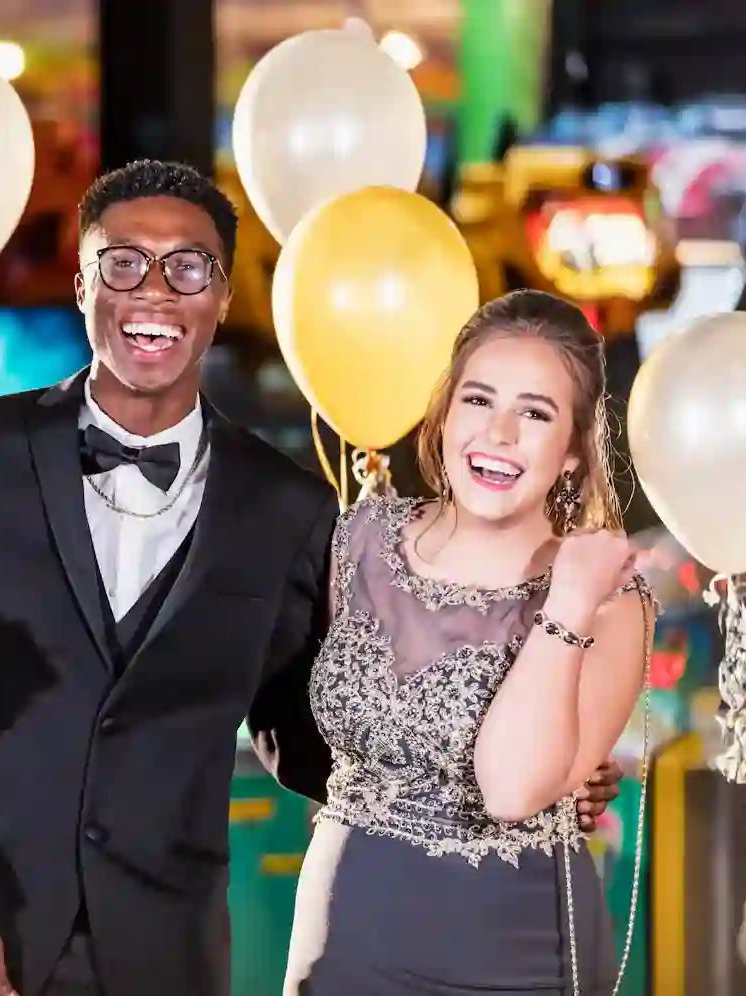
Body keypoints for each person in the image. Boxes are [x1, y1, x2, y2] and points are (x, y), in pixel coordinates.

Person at [0, 160, 623, 996]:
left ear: (223, 299)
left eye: (188, 269)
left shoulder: (284, 505)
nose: (154, 292)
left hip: (163, 952)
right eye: (123, 263)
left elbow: (309, 725)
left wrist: (524, 767)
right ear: (81, 285)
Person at [284, 289, 654, 994]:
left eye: (535, 414)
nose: (500, 434)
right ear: (445, 413)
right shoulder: (358, 539)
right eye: (479, 401)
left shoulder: (609, 600)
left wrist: (569, 599)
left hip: (515, 954)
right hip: (343, 941)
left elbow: (514, 790)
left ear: (573, 452)